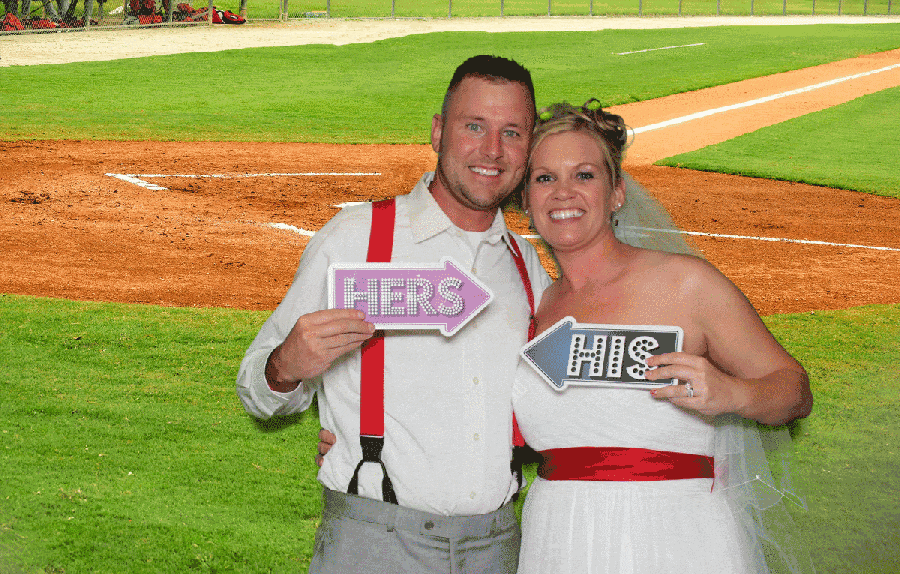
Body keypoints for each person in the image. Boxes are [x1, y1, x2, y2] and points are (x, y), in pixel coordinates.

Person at [236, 55, 551, 574]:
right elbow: (256, 388)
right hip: (374, 543)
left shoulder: (525, 265)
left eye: (511, 132)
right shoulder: (356, 237)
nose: (492, 151)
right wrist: (285, 366)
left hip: (497, 545)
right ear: (437, 131)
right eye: (474, 126)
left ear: (528, 148)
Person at [512, 100, 815, 573]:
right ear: (526, 200)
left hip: (677, 537)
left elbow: (793, 389)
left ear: (617, 193)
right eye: (544, 178)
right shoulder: (530, 304)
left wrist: (735, 392)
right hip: (558, 536)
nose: (563, 193)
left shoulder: (686, 283)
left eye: (585, 175)